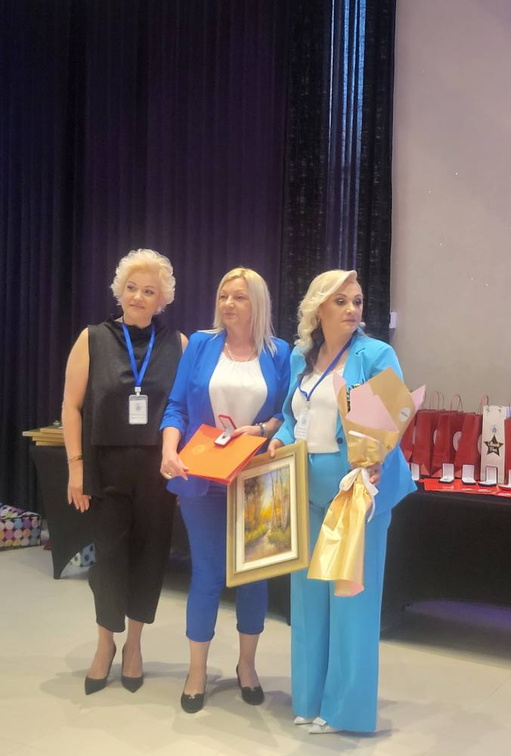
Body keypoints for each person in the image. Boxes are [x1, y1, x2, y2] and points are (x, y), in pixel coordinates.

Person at [268, 269, 416, 734]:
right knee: (308, 598)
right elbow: (294, 415)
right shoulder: (300, 356)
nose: (353, 309)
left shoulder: (376, 355)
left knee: (351, 603)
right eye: (341, 301)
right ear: (318, 309)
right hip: (305, 491)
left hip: (357, 497)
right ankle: (309, 698)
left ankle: (345, 710)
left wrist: (376, 458)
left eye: (357, 301)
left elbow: (393, 417)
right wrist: (280, 440)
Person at [159, 267, 290, 713]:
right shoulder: (200, 344)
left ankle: (246, 666)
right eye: (223, 295)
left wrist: (263, 429)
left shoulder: (280, 352)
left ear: (258, 303)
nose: (228, 303)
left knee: (253, 577)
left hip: (255, 478)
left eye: (239, 297)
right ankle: (196, 671)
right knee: (208, 575)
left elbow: (287, 414)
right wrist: (169, 449)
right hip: (201, 476)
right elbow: (176, 406)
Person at [62, 248, 187, 695]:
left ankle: (134, 644)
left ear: (162, 299)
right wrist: (75, 467)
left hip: (157, 473)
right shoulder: (93, 338)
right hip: (107, 469)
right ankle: (105, 644)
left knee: (150, 558)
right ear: (120, 290)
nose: (138, 297)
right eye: (131, 288)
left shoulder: (179, 344)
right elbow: (71, 406)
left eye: (149, 291)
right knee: (109, 562)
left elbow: (186, 407)